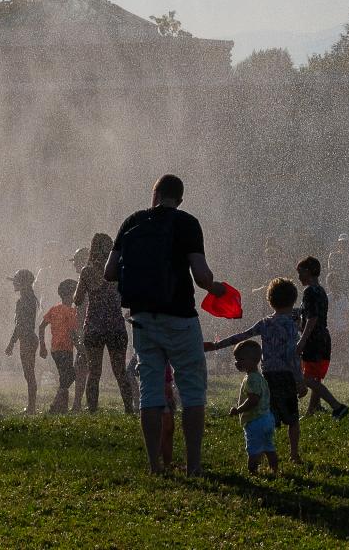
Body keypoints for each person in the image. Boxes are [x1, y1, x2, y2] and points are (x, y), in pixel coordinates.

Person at [104, 173, 224, 476]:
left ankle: (155, 466)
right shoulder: (187, 223)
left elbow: (109, 272)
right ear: (179, 199)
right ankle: (194, 466)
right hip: (180, 316)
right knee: (193, 390)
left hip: (143, 318)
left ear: (153, 194)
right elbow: (200, 274)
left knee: (151, 391)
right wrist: (217, 289)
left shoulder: (132, 221)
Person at [206, 277, 308, 464]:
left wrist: (216, 345)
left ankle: (262, 449)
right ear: (293, 300)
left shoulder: (265, 323)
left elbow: (241, 336)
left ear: (270, 300)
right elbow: (291, 355)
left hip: (267, 376)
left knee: (266, 414)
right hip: (286, 376)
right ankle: (293, 454)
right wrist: (299, 379)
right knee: (293, 418)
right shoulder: (291, 325)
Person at [75, 233, 135, 415]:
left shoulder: (87, 272)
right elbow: (129, 295)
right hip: (116, 326)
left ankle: (92, 410)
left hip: (94, 327)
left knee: (94, 373)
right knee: (120, 372)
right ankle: (128, 409)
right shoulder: (120, 268)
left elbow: (77, 300)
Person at [295, 257, 348, 419]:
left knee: (308, 379)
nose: (298, 277)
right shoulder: (321, 290)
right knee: (315, 378)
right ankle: (311, 411)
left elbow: (312, 318)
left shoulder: (309, 291)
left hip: (313, 339)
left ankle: (337, 406)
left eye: (300, 273)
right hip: (323, 337)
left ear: (308, 272)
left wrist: (302, 339)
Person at [228, 338, 276, 475]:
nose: (237, 362)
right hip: (267, 418)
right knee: (268, 447)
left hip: (256, 420)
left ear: (254, 360)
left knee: (253, 449)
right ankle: (274, 469)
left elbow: (253, 400)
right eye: (236, 359)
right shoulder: (260, 377)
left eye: (241, 359)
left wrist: (238, 410)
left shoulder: (251, 379)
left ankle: (252, 472)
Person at [39, 278, 80, 414]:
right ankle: (56, 405)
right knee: (71, 376)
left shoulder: (54, 309)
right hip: (66, 349)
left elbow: (41, 326)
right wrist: (81, 349)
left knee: (64, 376)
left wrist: (43, 346)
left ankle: (62, 407)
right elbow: (73, 333)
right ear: (71, 294)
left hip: (55, 349)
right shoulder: (71, 312)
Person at [5, 269, 40, 414]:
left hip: (27, 340)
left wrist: (11, 343)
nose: (14, 283)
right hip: (29, 338)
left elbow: (20, 325)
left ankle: (31, 408)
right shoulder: (30, 299)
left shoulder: (23, 301)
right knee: (29, 374)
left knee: (29, 374)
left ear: (24, 283)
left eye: (16, 281)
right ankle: (31, 406)